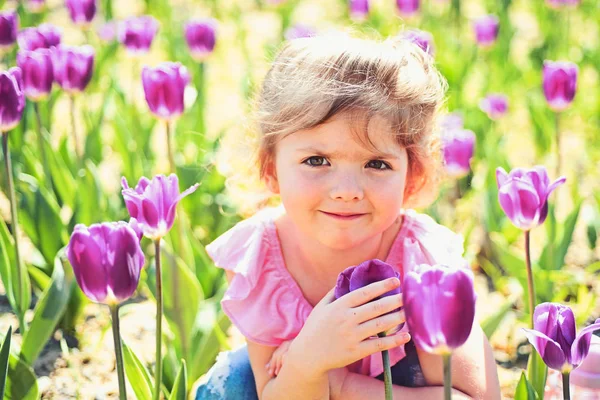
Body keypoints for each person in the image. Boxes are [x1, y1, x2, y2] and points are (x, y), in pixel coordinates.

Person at [193, 31, 501, 399]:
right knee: (227, 384)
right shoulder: (261, 259)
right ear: (270, 168)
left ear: (412, 174)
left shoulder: (422, 262)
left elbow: (473, 397)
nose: (347, 190)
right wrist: (308, 361)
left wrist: (340, 385)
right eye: (317, 161)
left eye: (376, 163)